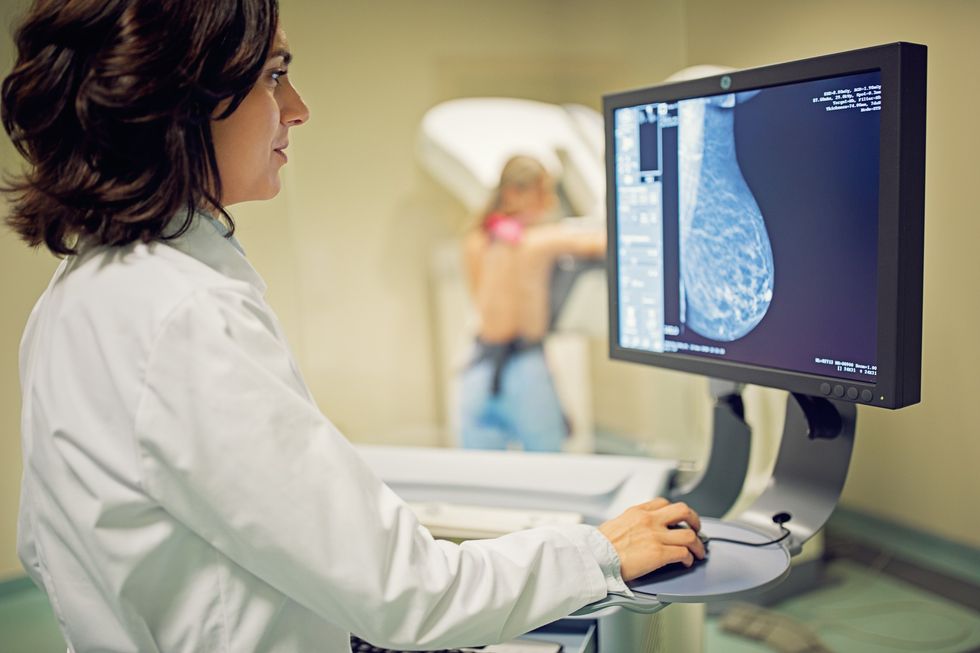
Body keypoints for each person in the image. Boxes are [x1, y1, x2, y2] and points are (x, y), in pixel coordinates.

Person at [1, 2, 705, 651]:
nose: (298, 109)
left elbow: (53, 545)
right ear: (181, 98)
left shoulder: (79, 293)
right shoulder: (182, 316)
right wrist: (598, 552)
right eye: (275, 76)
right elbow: (409, 593)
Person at [459, 155, 605, 451]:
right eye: (545, 191)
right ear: (515, 193)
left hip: (478, 367)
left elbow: (480, 299)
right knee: (548, 460)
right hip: (523, 368)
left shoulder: (475, 241)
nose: (551, 202)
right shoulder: (539, 242)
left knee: (480, 471)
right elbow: (604, 244)